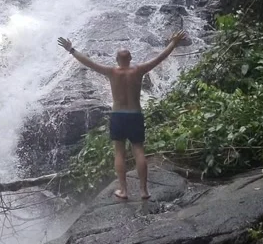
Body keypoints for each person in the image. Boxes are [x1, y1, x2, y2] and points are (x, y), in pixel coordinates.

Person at [58, 30, 190, 200]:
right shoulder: (139, 70)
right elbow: (160, 58)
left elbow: (89, 63)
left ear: (116, 60)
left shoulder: (111, 72)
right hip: (135, 115)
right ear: (131, 58)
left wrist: (71, 50)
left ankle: (124, 191)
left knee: (119, 153)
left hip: (118, 116)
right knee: (138, 150)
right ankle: (144, 191)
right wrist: (173, 42)